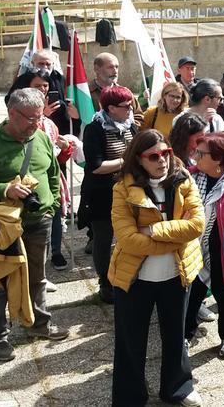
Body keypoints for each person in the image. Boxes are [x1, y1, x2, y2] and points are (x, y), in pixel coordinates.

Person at [0, 88, 68, 362]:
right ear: (12, 114)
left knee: (37, 276)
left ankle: (39, 325)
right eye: (31, 118)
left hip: (39, 221)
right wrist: (4, 189)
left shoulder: (41, 137)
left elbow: (53, 174)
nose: (36, 123)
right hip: (2, 227)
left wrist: (52, 204)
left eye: (39, 116)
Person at [109, 129, 205, 407]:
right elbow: (128, 239)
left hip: (177, 275)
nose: (162, 160)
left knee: (176, 336)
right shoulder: (122, 189)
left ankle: (178, 387)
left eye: (166, 153)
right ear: (139, 159)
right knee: (130, 342)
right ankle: (129, 397)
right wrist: (175, 237)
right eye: (153, 156)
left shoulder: (184, 180)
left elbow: (196, 225)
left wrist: (152, 229)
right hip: (135, 279)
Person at [183, 133, 224, 358]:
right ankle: (186, 336)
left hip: (223, 253)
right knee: (191, 295)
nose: (195, 156)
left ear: (217, 159)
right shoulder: (189, 178)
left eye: (201, 153)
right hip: (194, 248)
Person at [80, 86, 139, 304]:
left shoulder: (130, 125)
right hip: (102, 195)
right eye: (126, 106)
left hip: (128, 192)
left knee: (128, 237)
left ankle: (127, 275)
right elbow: (96, 166)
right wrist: (128, 161)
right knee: (103, 239)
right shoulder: (94, 129)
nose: (130, 109)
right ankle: (105, 281)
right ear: (111, 108)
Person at [14, 70, 75, 271]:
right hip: (25, 185)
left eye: (45, 86)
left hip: (52, 181)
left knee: (55, 216)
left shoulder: (50, 124)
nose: (43, 89)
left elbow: (56, 157)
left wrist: (66, 148)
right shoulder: (15, 125)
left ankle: (54, 252)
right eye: (37, 85)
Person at [89, 52, 144, 126]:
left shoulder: (126, 93)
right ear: (97, 69)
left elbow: (139, 117)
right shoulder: (87, 94)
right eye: (110, 67)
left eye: (116, 67)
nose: (115, 71)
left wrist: (125, 129)